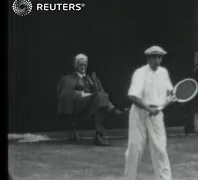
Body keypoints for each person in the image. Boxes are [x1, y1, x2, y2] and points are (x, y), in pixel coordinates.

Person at [125, 45, 176, 180]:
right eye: (154, 57)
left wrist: (171, 97)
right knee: (134, 149)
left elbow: (170, 92)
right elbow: (133, 96)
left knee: (160, 149)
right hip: (139, 114)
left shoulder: (164, 72)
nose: (157, 60)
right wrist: (148, 109)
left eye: (159, 57)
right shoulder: (139, 73)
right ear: (148, 58)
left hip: (157, 115)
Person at [57, 53, 122, 146]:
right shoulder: (68, 79)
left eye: (84, 64)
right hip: (79, 107)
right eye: (80, 64)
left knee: (101, 98)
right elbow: (68, 95)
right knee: (98, 97)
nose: (83, 67)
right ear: (75, 65)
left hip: (93, 105)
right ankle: (113, 110)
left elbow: (103, 94)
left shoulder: (92, 79)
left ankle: (99, 134)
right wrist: (85, 95)